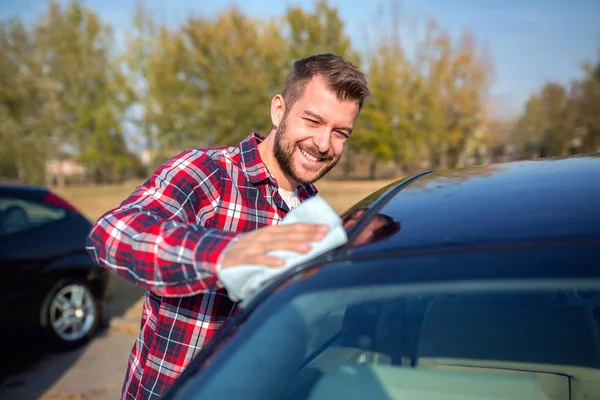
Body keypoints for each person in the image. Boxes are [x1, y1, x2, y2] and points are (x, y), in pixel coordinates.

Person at [85, 53, 370, 400]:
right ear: (279, 110)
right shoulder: (208, 173)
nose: (324, 144)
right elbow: (111, 234)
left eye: (340, 133)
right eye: (312, 121)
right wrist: (226, 253)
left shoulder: (315, 209)